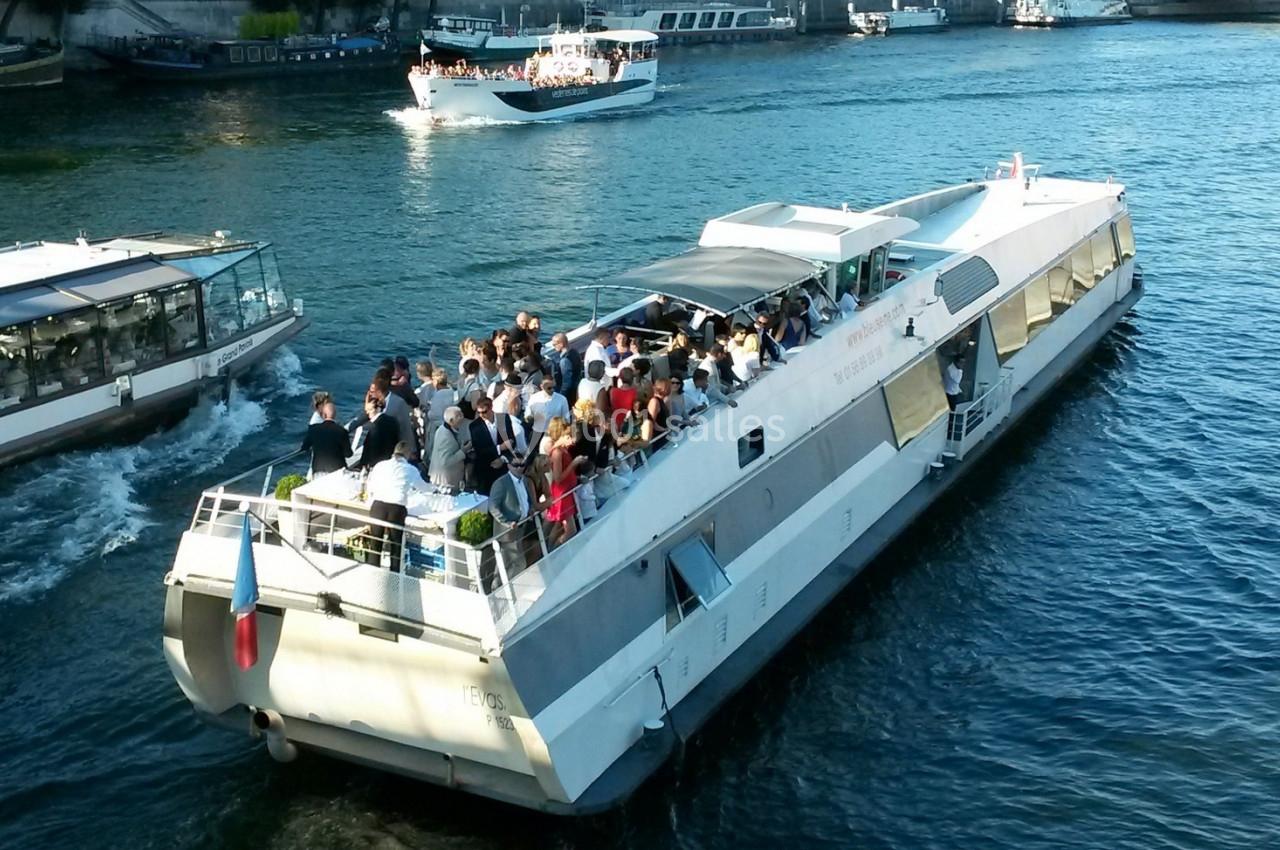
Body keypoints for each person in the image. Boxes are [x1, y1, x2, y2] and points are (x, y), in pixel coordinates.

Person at [366, 441, 429, 571]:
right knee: (396, 546)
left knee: (375, 545)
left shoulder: (380, 465)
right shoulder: (411, 469)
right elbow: (423, 488)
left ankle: (373, 574)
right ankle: (394, 578)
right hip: (396, 508)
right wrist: (435, 488)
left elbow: (370, 485)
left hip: (377, 505)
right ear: (407, 454)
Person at [487, 454, 536, 590]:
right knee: (519, 563)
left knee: (503, 563)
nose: (520, 468)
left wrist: (530, 509)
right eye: (516, 465)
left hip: (520, 528)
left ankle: (497, 589)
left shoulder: (525, 481)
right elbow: (492, 506)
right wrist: (507, 522)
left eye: (522, 465)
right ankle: (504, 590)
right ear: (508, 466)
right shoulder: (501, 483)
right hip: (507, 531)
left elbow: (527, 500)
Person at [468, 395, 526, 494]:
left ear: (491, 408)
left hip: (503, 466)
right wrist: (500, 447)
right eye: (479, 412)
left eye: (484, 412)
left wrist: (502, 459)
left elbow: (512, 442)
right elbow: (479, 450)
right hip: (486, 468)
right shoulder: (474, 426)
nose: (481, 415)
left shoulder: (504, 418)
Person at [545, 417, 585, 547]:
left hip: (567, 491)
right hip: (562, 494)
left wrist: (577, 478)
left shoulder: (562, 450)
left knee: (560, 528)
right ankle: (553, 553)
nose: (571, 440)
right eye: (567, 436)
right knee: (570, 529)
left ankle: (551, 549)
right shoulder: (557, 452)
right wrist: (574, 463)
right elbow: (558, 478)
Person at [301, 401, 352, 475]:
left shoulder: (314, 429)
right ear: (335, 415)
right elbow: (348, 454)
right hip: (337, 471)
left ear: (324, 415)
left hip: (319, 470)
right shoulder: (341, 431)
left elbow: (304, 447)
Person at [429, 407, 468, 490]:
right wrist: (463, 451)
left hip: (448, 478)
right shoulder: (445, 436)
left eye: (461, 414)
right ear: (451, 421)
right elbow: (445, 461)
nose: (462, 417)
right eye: (458, 416)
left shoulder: (443, 429)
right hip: (445, 482)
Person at [527, 376, 569, 450]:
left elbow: (566, 419)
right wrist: (531, 418)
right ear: (542, 386)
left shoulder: (562, 399)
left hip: (554, 435)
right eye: (549, 388)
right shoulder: (534, 398)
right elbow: (527, 415)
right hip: (537, 432)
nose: (552, 390)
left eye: (554, 387)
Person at [358, 393, 399, 470]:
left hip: (375, 465)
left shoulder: (372, 426)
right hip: (389, 462)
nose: (368, 413)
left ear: (377, 408)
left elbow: (370, 449)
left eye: (370, 410)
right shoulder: (392, 421)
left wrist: (363, 465)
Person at [548, 332, 582, 405]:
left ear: (561, 344)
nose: (553, 347)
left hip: (569, 393)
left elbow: (567, 382)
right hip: (576, 387)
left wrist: (561, 396)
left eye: (554, 345)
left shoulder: (564, 361)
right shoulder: (575, 352)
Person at [608, 366, 638, 432]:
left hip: (615, 423)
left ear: (620, 378)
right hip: (628, 423)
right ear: (632, 378)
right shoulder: (634, 392)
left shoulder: (613, 391)